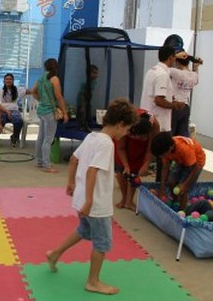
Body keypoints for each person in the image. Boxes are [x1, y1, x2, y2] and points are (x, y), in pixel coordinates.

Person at [46, 98, 138, 296]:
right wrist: (89, 201)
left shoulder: (92, 137)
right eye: (127, 129)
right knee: (102, 243)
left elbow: (74, 159)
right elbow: (92, 172)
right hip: (95, 204)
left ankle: (55, 254)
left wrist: (70, 183)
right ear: (120, 125)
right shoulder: (107, 144)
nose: (126, 133)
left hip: (82, 199)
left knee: (84, 230)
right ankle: (93, 282)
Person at [114, 110, 160, 210]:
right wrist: (126, 165)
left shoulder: (154, 125)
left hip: (140, 149)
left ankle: (129, 201)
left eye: (143, 137)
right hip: (122, 146)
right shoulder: (125, 124)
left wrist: (146, 164)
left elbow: (150, 149)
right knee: (121, 169)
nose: (139, 139)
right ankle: (124, 198)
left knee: (135, 172)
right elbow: (120, 148)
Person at [31, 58, 69, 173]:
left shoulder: (41, 78)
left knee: (41, 137)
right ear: (56, 67)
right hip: (50, 111)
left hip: (41, 110)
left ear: (45, 67)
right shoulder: (54, 79)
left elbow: (33, 91)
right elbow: (59, 97)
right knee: (48, 139)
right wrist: (65, 112)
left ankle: (40, 162)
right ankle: (47, 165)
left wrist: (41, 100)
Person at [151, 131, 206, 209]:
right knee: (171, 180)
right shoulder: (165, 149)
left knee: (182, 190)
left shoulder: (184, 149)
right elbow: (165, 168)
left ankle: (182, 210)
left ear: (169, 149)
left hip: (196, 162)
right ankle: (175, 200)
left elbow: (195, 169)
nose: (161, 157)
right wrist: (162, 188)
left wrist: (184, 185)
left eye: (162, 155)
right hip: (181, 161)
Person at [140, 46, 186, 133]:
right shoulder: (162, 75)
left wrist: (172, 101)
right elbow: (159, 100)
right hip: (159, 124)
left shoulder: (151, 71)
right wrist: (176, 106)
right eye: (174, 57)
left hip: (148, 120)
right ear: (171, 58)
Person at [170, 55, 202, 137]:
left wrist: (174, 56)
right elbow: (195, 76)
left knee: (171, 134)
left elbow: (164, 68)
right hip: (186, 108)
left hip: (175, 106)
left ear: (177, 62)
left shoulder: (176, 72)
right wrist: (196, 66)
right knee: (183, 135)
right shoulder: (194, 76)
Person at [0, 73, 29, 147]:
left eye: (10, 79)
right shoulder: (0, 91)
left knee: (19, 121)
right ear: (4, 81)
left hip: (14, 110)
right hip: (3, 110)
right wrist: (6, 111)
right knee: (0, 120)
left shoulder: (18, 89)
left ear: (13, 81)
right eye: (7, 79)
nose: (8, 80)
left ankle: (14, 137)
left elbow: (29, 91)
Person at [76, 64, 99, 131]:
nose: (96, 75)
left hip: (88, 99)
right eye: (94, 73)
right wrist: (83, 104)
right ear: (88, 73)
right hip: (82, 98)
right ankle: (81, 126)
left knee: (87, 111)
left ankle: (86, 125)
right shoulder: (85, 82)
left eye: (97, 73)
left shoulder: (94, 81)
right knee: (82, 112)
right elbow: (82, 94)